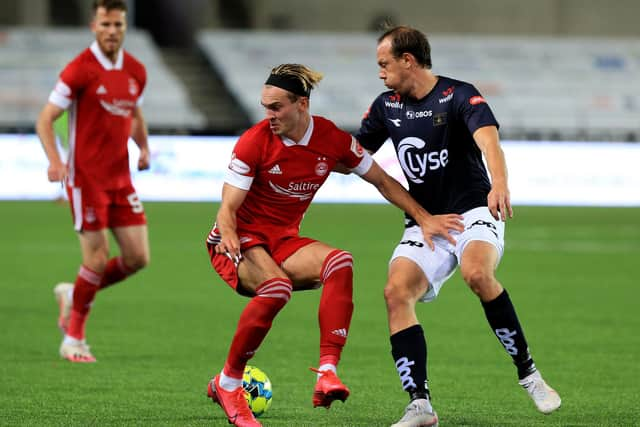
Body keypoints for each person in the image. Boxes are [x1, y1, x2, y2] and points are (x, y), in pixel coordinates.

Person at [204, 63, 462, 427]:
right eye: (265, 106)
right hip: (238, 239)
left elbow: (382, 180)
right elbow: (227, 208)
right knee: (276, 288)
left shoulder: (332, 140)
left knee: (340, 262)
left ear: (302, 104)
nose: (269, 115)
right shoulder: (254, 141)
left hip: (282, 241)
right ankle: (230, 383)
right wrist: (227, 233)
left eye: (276, 107)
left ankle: (327, 370)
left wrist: (423, 217)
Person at [356, 26, 562, 426]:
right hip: (428, 222)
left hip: (473, 211)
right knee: (395, 293)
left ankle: (529, 373)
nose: (380, 73)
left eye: (384, 64)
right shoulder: (386, 106)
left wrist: (499, 184)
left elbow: (489, 143)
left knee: (477, 274)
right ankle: (420, 406)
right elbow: (355, 155)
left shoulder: (459, 95)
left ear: (408, 60)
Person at [35, 0, 150, 363]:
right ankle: (73, 339)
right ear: (93, 25)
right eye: (105, 24)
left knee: (137, 257)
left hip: (121, 178)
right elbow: (45, 119)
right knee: (98, 258)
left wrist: (144, 148)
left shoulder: (136, 71)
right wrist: (56, 162)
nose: (112, 31)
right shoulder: (79, 70)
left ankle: (74, 292)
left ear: (124, 26)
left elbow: (134, 113)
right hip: (86, 179)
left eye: (118, 24)